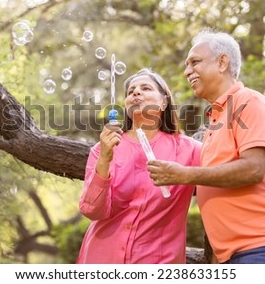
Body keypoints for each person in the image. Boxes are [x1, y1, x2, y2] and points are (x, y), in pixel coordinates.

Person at [148, 28, 265, 264]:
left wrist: (184, 175)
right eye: (187, 65)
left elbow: (253, 169)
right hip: (234, 254)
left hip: (262, 246)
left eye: (195, 62)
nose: (187, 71)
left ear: (222, 62)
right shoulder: (216, 120)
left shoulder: (249, 102)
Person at [76, 68, 202, 263]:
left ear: (164, 102)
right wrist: (104, 159)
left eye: (145, 88)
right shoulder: (103, 149)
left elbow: (225, 172)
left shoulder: (188, 150)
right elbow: (92, 211)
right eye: (130, 91)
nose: (136, 92)